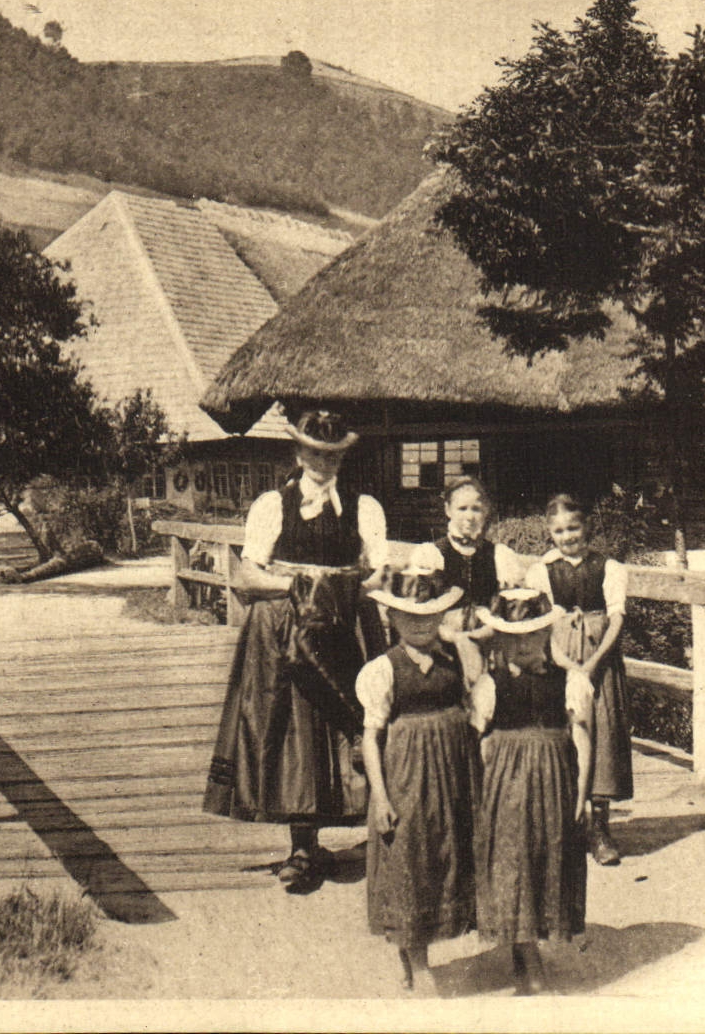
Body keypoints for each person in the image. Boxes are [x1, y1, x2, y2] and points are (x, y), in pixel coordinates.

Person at [204, 409, 388, 893]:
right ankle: (302, 847)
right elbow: (247, 575)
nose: (322, 462)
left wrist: (335, 590)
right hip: (283, 631)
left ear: (342, 457)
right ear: (298, 452)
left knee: (347, 729)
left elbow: (379, 575)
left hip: (346, 626)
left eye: (332, 454)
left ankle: (375, 834)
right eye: (313, 452)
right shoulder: (272, 504)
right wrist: (297, 588)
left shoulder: (363, 507)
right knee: (294, 734)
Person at [357, 547, 481, 994]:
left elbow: (473, 705)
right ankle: (417, 961)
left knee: (446, 858)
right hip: (407, 776)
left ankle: (422, 952)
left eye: (430, 617)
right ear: (391, 618)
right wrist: (382, 798)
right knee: (408, 861)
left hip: (452, 774)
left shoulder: (453, 661)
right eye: (410, 618)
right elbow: (371, 737)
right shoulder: (383, 670)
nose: (422, 626)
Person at [460, 588, 591, 996]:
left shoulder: (569, 681)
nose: (520, 645)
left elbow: (582, 738)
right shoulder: (490, 686)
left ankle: (530, 939)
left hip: (554, 777)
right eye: (510, 637)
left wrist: (583, 793)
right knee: (513, 858)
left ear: (546, 635)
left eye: (530, 635)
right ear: (497, 639)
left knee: (547, 854)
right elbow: (479, 744)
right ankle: (526, 953)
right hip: (507, 781)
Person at [524, 494, 631, 866]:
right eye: (559, 530)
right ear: (549, 533)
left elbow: (616, 619)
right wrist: (569, 665)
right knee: (565, 735)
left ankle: (600, 829)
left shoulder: (609, 567)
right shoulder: (542, 571)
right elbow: (540, 627)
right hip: (561, 657)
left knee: (601, 734)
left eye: (574, 527)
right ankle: (568, 824)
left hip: (600, 658)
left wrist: (592, 664)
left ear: (587, 527)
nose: (567, 536)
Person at [433, 476, 527, 631]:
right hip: (444, 639)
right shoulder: (434, 554)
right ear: (448, 510)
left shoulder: (499, 555)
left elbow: (511, 611)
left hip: (488, 637)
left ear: (485, 511)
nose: (470, 517)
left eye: (476, 509)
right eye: (462, 508)